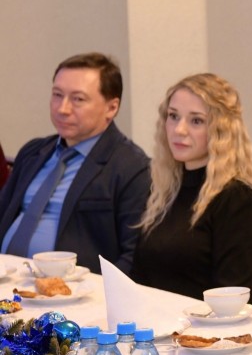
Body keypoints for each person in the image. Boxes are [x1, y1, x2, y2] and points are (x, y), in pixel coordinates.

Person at [0, 53, 150, 273]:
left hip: (74, 288)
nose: (63, 109)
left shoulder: (131, 166)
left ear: (111, 108)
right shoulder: (33, 152)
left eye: (78, 99)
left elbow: (134, 255)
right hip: (8, 278)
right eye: (57, 95)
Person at [131, 74, 252, 300]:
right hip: (152, 316)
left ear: (221, 131)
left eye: (196, 121)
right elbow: (141, 275)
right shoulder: (166, 189)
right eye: (173, 116)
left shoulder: (238, 201)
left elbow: (230, 298)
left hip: (200, 322)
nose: (179, 130)